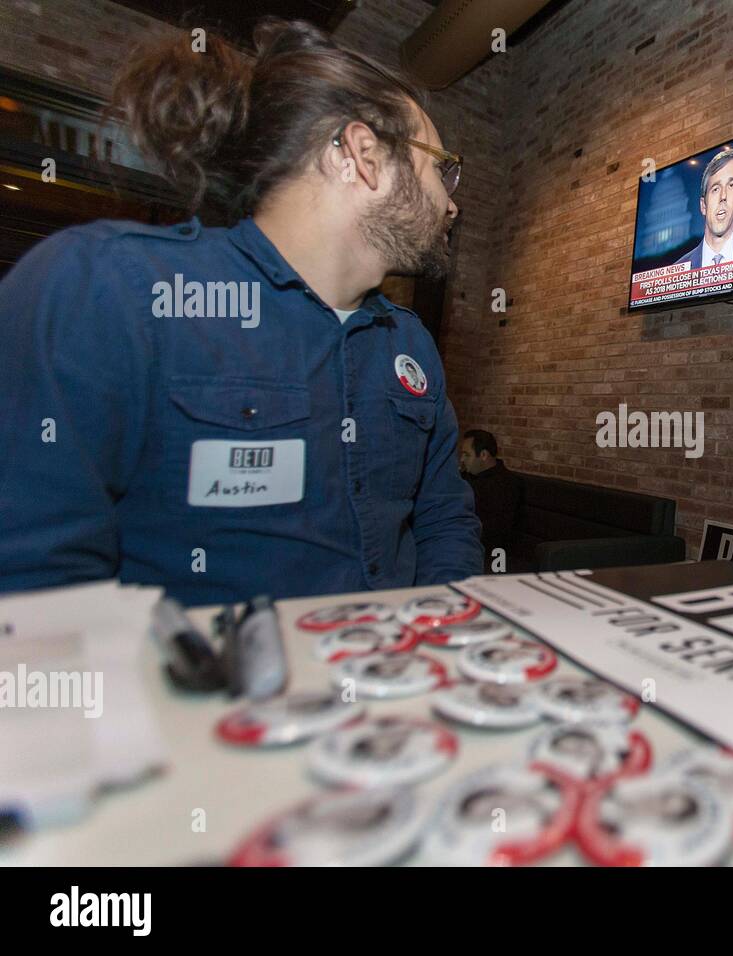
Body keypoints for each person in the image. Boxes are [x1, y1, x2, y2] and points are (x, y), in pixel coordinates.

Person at [0, 19, 482, 605]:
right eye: (441, 167)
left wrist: (435, 642)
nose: (451, 203)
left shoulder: (411, 346)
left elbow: (444, 522)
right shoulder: (111, 290)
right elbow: (33, 579)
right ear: (364, 156)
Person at [459, 429, 523, 570]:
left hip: (493, 554)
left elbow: (495, 531)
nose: (462, 459)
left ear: (483, 455)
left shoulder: (505, 485)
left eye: (466, 454)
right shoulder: (467, 477)